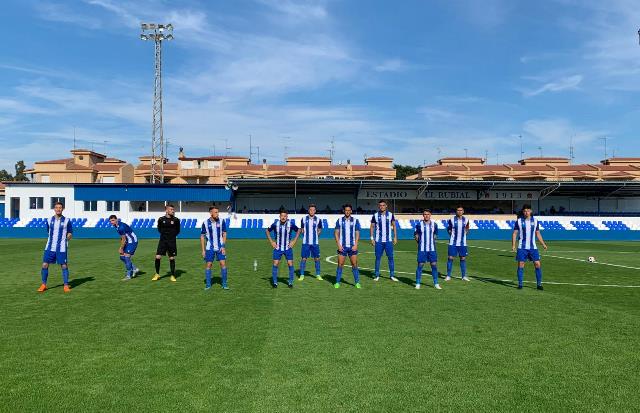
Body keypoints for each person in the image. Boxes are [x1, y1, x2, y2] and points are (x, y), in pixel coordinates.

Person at [37, 202, 73, 293]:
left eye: (60, 207)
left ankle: (65, 285)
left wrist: (68, 236)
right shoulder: (49, 220)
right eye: (56, 207)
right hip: (49, 247)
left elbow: (70, 232)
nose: (58, 209)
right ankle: (43, 284)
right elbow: (48, 231)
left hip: (61, 247)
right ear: (54, 209)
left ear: (62, 209)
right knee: (44, 264)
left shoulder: (67, 220)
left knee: (64, 265)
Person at [512, 204, 548, 290]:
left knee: (537, 264)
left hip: (533, 247)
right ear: (523, 212)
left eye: (528, 210)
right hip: (522, 247)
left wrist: (543, 244)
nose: (526, 212)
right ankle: (520, 284)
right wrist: (513, 245)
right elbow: (515, 233)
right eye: (524, 211)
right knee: (521, 264)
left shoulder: (535, 221)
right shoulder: (519, 221)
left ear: (530, 211)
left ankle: (539, 284)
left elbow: (538, 233)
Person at [266, 210, 300, 288]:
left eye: (285, 216)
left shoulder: (290, 224)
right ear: (279, 216)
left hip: (288, 248)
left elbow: (299, 230)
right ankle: (275, 282)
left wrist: (294, 241)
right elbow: (267, 231)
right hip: (278, 248)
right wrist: (272, 242)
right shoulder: (275, 224)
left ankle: (290, 282)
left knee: (290, 264)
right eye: (282, 216)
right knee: (275, 264)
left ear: (287, 217)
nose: (283, 217)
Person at [201, 206, 228, 290]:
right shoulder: (205, 223)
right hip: (209, 248)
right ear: (211, 213)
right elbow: (202, 236)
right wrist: (203, 250)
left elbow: (224, 233)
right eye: (216, 212)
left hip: (220, 247)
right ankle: (208, 285)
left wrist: (223, 246)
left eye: (218, 212)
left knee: (223, 264)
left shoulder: (222, 221)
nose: (217, 214)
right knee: (209, 265)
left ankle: (224, 284)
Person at [370, 200, 398, 282]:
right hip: (378, 241)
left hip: (388, 241)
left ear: (386, 206)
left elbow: (394, 225)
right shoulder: (375, 215)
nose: (382, 206)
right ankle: (377, 275)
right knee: (378, 258)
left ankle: (392, 275)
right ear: (379, 206)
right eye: (380, 205)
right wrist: (372, 238)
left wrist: (395, 237)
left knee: (391, 258)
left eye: (383, 205)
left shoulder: (390, 215)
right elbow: (372, 227)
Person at [334, 204, 361, 289]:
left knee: (354, 264)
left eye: (349, 210)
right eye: (346, 210)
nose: (347, 212)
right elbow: (336, 233)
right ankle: (337, 282)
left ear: (351, 211)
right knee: (340, 264)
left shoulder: (355, 220)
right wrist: (338, 245)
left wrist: (356, 244)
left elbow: (357, 233)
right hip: (343, 247)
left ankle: (357, 283)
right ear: (344, 211)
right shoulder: (339, 220)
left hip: (352, 247)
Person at [152, 204, 181, 282]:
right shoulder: (161, 219)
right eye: (171, 209)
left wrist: (172, 236)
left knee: (171, 258)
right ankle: (157, 274)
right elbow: (159, 229)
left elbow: (178, 230)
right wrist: (165, 236)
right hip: (163, 241)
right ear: (167, 210)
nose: (173, 211)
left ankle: (172, 275)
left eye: (173, 209)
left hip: (171, 242)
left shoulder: (176, 220)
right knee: (158, 257)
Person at [414, 209, 441, 290]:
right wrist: (419, 242)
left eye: (428, 214)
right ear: (423, 215)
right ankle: (418, 283)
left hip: (432, 249)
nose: (426, 215)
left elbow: (436, 234)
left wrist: (432, 240)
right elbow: (415, 234)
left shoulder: (434, 224)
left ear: (430, 215)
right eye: (425, 214)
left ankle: (436, 283)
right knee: (420, 265)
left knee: (434, 265)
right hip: (422, 249)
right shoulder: (419, 224)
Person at [109, 215, 140, 281]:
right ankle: (134, 269)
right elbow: (123, 238)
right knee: (122, 257)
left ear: (116, 220)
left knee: (126, 257)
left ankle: (129, 275)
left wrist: (121, 248)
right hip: (127, 241)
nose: (111, 222)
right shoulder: (116, 226)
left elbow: (124, 239)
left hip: (132, 241)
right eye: (110, 221)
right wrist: (121, 246)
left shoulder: (121, 227)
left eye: (113, 220)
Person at [298, 204, 323, 281]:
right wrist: (305, 235)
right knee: (304, 258)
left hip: (315, 243)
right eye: (310, 210)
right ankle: (302, 274)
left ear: (315, 211)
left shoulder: (318, 220)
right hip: (306, 242)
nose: (312, 211)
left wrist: (316, 236)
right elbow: (302, 229)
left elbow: (319, 230)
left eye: (313, 210)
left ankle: (318, 274)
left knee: (317, 259)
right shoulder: (303, 219)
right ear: (308, 210)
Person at [446, 206, 471, 282]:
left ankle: (463, 276)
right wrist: (452, 236)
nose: (459, 211)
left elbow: (467, 228)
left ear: (463, 211)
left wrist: (464, 235)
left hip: (462, 243)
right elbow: (449, 229)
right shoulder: (452, 220)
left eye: (461, 210)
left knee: (463, 258)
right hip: (453, 242)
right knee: (450, 258)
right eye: (458, 210)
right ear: (456, 211)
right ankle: (448, 276)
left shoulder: (466, 220)